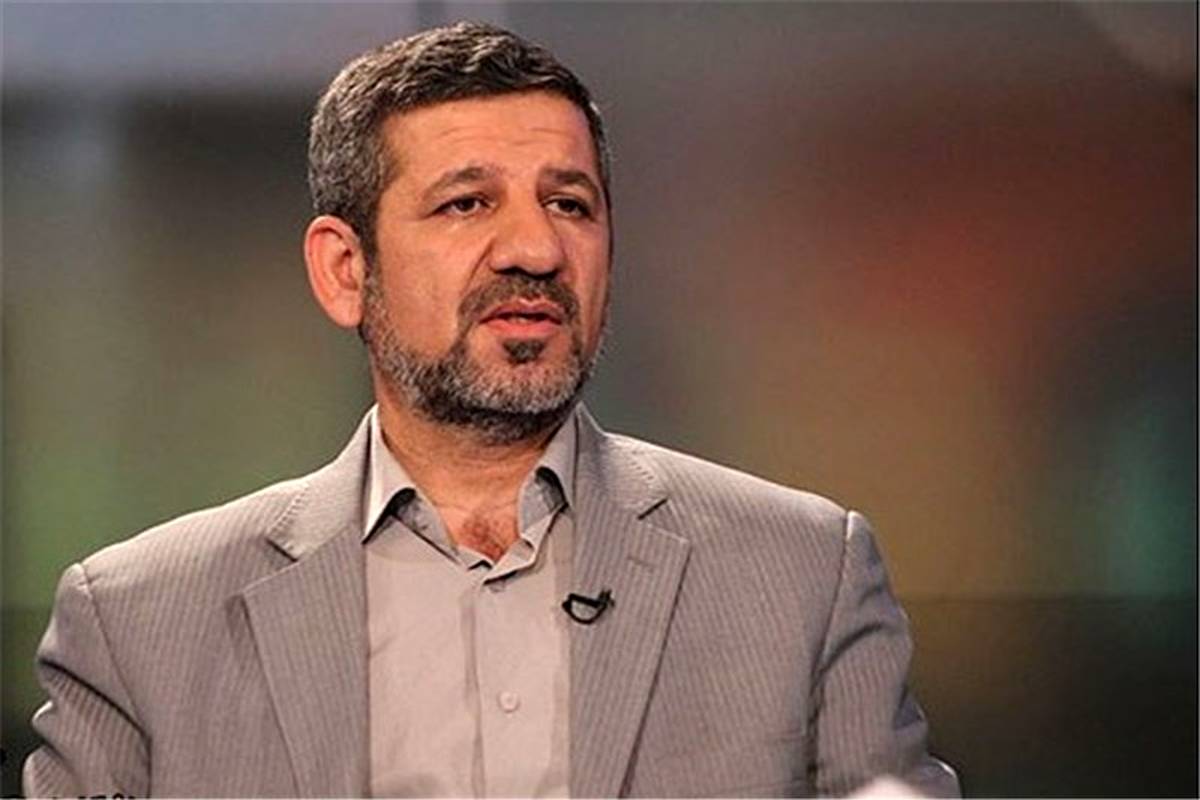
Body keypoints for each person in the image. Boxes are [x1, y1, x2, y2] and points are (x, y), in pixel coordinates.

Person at [24, 21, 958, 799]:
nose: (535, 249)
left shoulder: (804, 576)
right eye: (468, 204)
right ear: (345, 271)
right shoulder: (137, 625)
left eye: (570, 203)